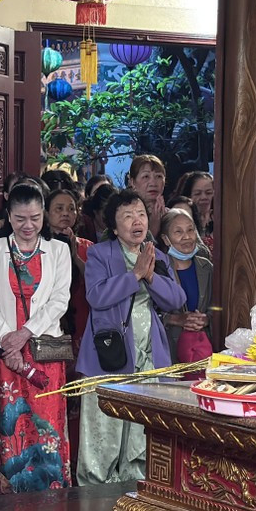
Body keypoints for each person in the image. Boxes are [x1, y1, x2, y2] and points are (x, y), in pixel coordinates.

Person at [74, 190, 184, 485]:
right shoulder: (100, 253)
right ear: (113, 226)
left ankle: (134, 491)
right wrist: (134, 275)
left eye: (141, 215)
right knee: (105, 430)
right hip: (110, 353)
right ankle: (94, 494)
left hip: (149, 352)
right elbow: (96, 296)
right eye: (127, 216)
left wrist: (150, 276)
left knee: (140, 430)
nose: (137, 222)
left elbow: (176, 300)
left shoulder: (156, 255)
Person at [0, 182, 73, 492]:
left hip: (43, 354)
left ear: (43, 214)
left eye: (34, 217)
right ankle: (2, 492)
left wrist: (24, 334)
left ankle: (50, 492)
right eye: (20, 219)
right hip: (5, 355)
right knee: (4, 426)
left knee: (47, 427)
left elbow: (60, 300)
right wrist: (9, 340)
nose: (28, 225)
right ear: (9, 216)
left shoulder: (58, 250)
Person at [157, 207, 214, 365]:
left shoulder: (207, 267)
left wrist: (207, 319)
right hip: (168, 349)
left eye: (190, 230)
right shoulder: (158, 269)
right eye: (178, 232)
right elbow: (148, 311)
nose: (187, 237)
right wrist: (175, 319)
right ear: (166, 239)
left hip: (202, 349)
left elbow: (217, 306)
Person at [45, 185, 92, 340]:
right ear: (46, 213)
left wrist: (75, 258)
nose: (66, 213)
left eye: (71, 209)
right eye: (59, 208)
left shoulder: (88, 247)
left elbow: (95, 283)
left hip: (83, 317)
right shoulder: (37, 246)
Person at [172, 171, 215, 247]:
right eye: (198, 193)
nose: (204, 197)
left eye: (208, 193)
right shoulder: (179, 217)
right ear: (188, 196)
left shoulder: (221, 220)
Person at [128, 154, 168, 227]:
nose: (153, 183)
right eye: (146, 176)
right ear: (132, 182)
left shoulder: (173, 216)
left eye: (159, 176)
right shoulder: (125, 217)